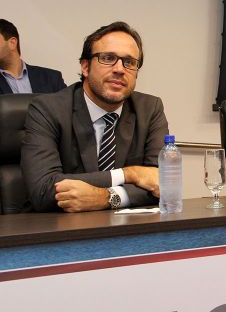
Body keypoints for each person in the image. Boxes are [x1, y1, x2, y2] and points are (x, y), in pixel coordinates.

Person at [21, 21, 169, 212]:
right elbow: (43, 189)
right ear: (85, 67)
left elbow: (163, 183)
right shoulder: (47, 109)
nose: (120, 69)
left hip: (125, 226)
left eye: (130, 62)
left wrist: (107, 198)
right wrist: (129, 174)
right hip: (57, 225)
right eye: (108, 58)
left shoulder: (149, 109)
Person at [0, 17, 66, 215]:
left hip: (50, 155)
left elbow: (67, 120)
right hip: (0, 160)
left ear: (12, 42)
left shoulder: (50, 78)